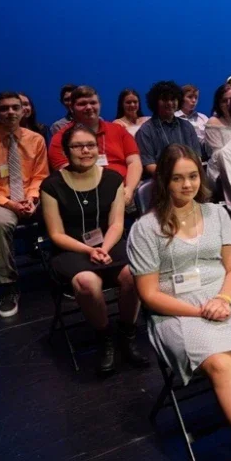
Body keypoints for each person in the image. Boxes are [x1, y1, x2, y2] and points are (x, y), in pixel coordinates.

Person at [127, 145, 231, 461]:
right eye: (177, 178)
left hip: (224, 297)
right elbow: (149, 295)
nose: (187, 185)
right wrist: (201, 310)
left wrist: (224, 299)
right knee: (222, 363)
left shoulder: (216, 214)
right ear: (163, 181)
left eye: (192, 177)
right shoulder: (144, 229)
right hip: (176, 309)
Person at [41, 125, 148, 374]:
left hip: (109, 243)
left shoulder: (112, 179)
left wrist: (104, 247)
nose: (85, 150)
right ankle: (105, 336)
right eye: (78, 146)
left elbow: (117, 224)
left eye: (90, 145)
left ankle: (127, 332)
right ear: (67, 150)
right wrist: (90, 251)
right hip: (70, 248)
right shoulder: (51, 185)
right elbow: (56, 234)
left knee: (135, 274)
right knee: (87, 283)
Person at [0, 92, 50, 316]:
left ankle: (65, 270)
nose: (11, 112)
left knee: (64, 208)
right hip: (0, 201)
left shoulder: (36, 140)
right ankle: (8, 285)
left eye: (15, 107)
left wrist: (33, 198)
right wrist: (12, 205)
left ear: (24, 110)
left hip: (30, 197)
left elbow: (41, 175)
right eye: (4, 108)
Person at [48, 86, 141, 210]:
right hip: (85, 196)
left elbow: (134, 162)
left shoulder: (118, 130)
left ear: (100, 105)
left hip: (125, 192)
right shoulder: (60, 138)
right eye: (82, 104)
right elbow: (67, 173)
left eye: (93, 102)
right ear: (71, 108)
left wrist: (129, 190)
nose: (89, 107)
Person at [136, 81, 203, 176]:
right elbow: (149, 165)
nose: (170, 103)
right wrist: (172, 177)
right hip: (162, 181)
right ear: (155, 102)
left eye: (173, 99)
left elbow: (197, 157)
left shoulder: (187, 126)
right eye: (165, 99)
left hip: (189, 176)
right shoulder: (145, 130)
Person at [205, 83, 231, 154]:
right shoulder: (213, 122)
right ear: (219, 104)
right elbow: (218, 154)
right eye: (224, 101)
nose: (228, 103)